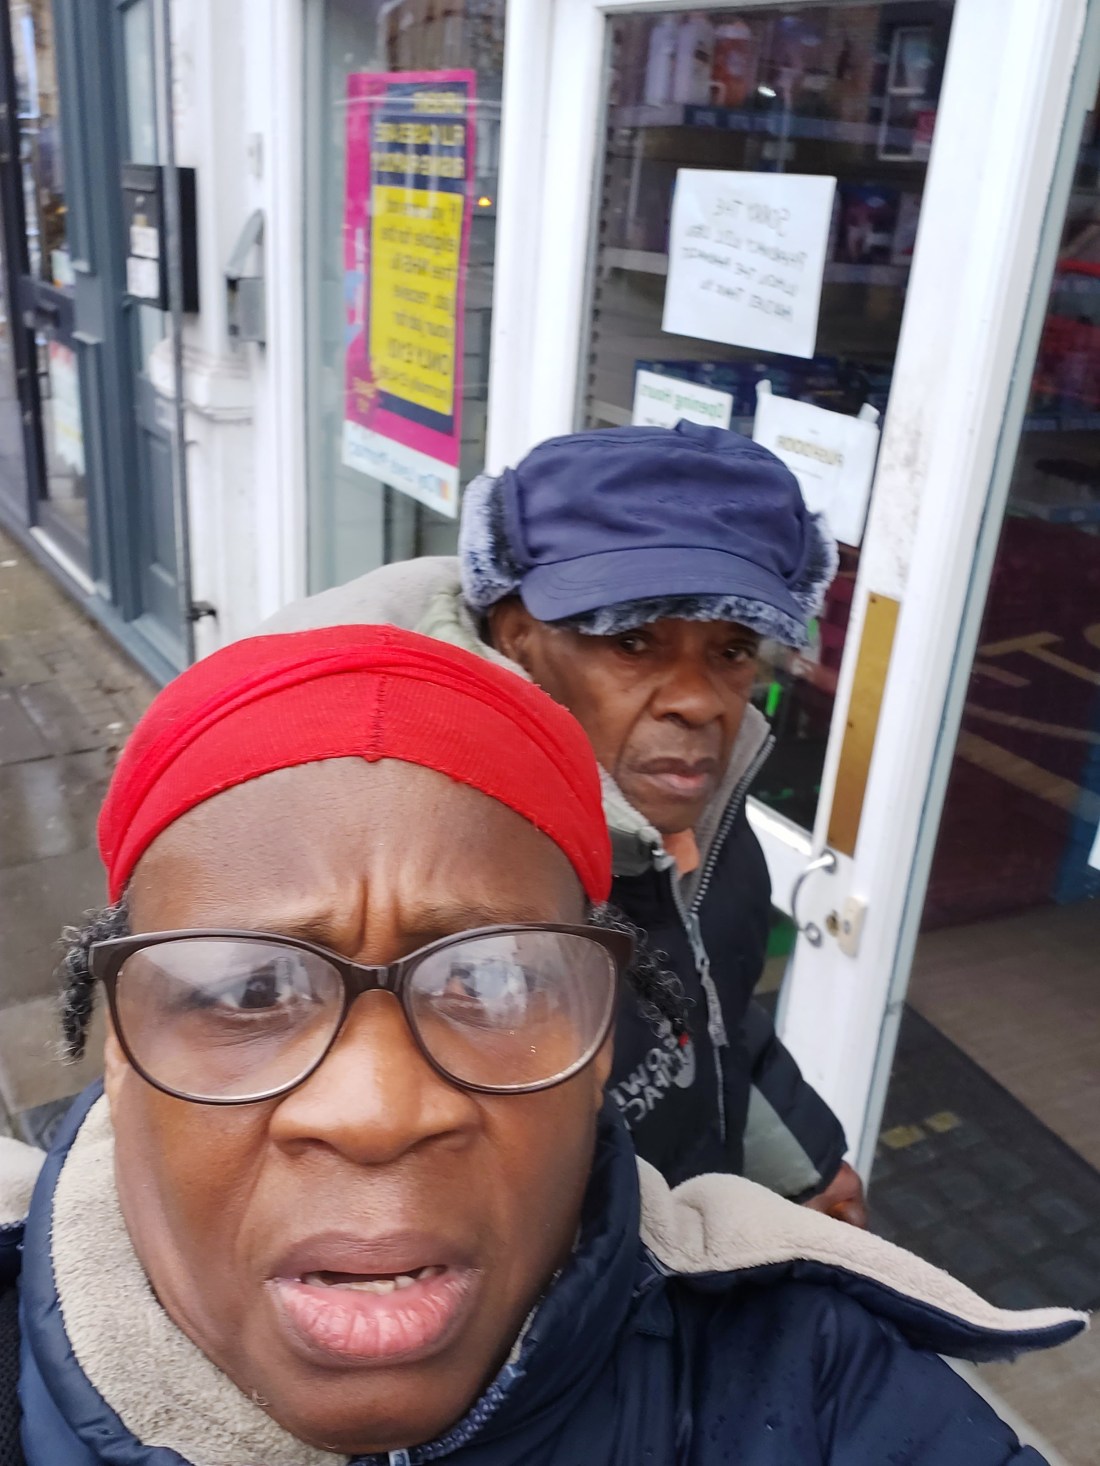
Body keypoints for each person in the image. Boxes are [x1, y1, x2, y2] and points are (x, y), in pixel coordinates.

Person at [0, 625, 1083, 1464]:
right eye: (248, 989)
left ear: (602, 1039)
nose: (377, 1110)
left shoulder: (813, 1379)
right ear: (119, 1047)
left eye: (491, 981)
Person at [264, 421, 863, 1219]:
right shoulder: (407, 901)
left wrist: (801, 1163)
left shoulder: (693, 817)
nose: (700, 701)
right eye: (634, 642)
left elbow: (708, 1002)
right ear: (517, 638)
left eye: (731, 651)